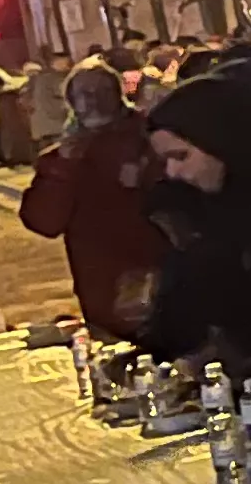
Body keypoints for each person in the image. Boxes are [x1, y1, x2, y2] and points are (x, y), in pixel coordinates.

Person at [137, 72, 251, 374]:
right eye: (166, 160)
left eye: (181, 156)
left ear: (219, 140)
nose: (172, 172)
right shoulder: (201, 208)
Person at [22, 61, 163, 339]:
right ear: (71, 101)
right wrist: (63, 168)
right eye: (84, 93)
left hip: (157, 275)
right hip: (99, 288)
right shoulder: (61, 157)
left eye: (102, 91)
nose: (94, 100)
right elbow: (44, 222)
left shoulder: (151, 139)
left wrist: (147, 177)